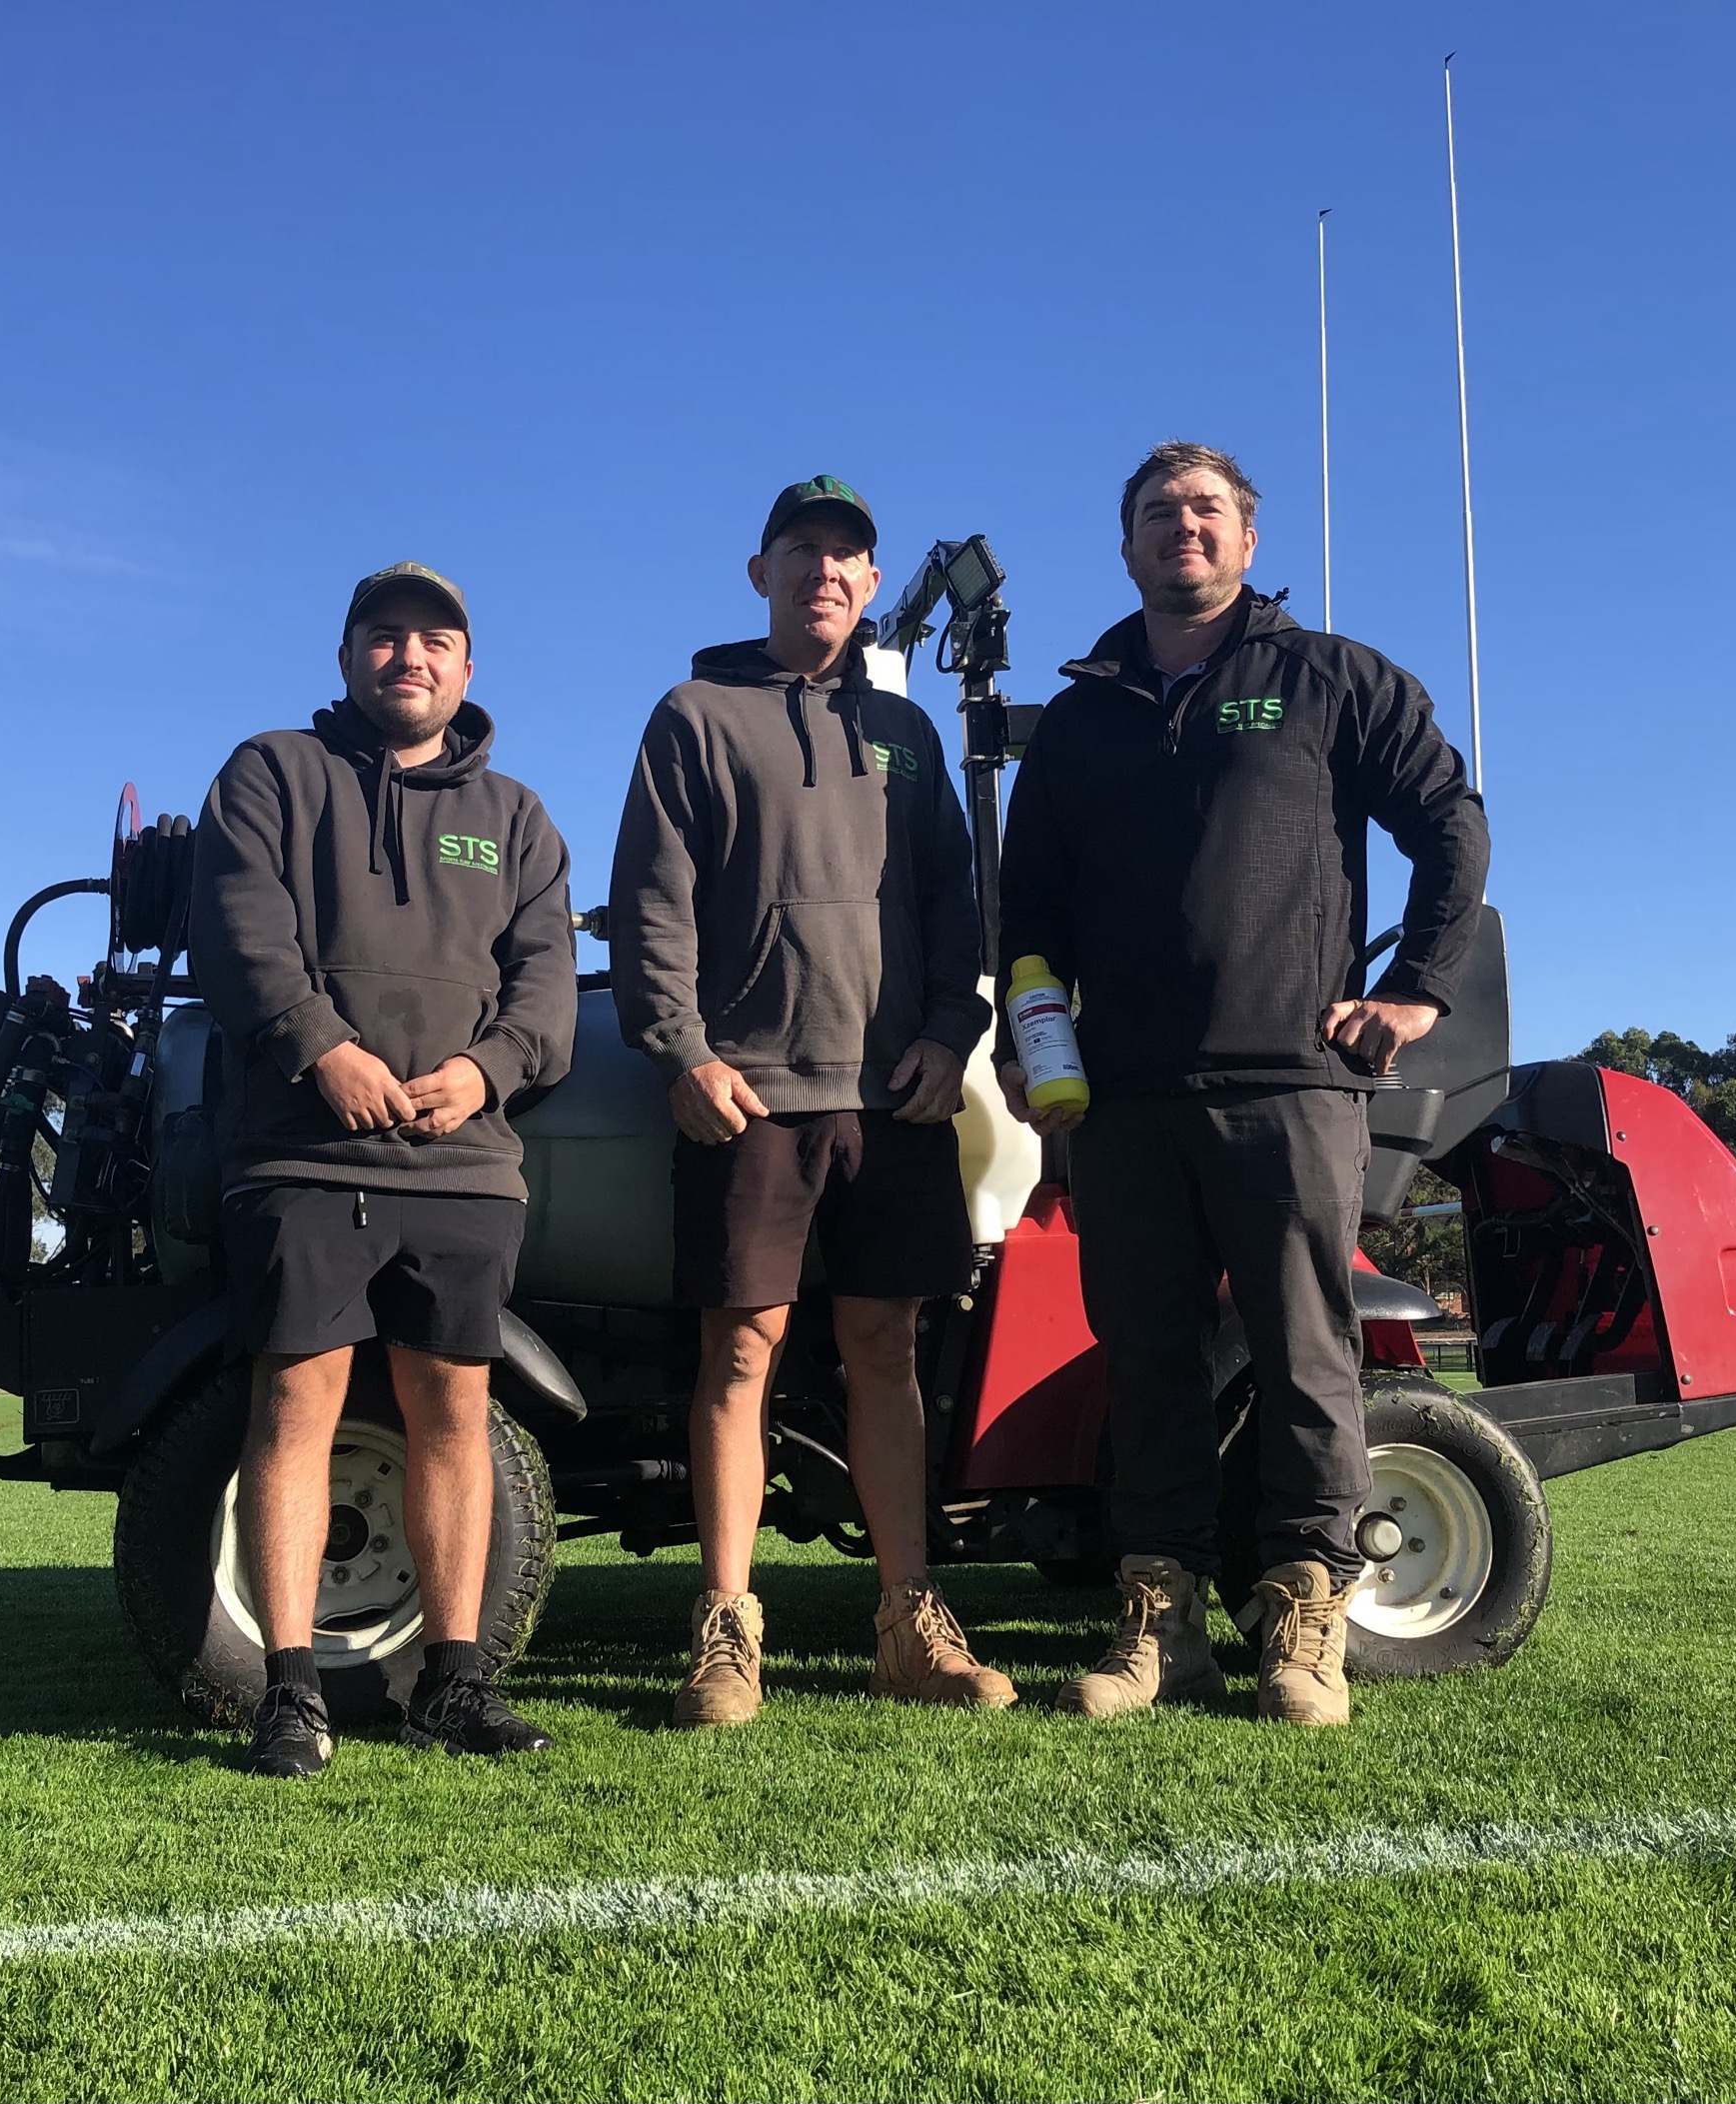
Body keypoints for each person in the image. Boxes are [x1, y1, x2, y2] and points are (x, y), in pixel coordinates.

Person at [995, 442, 1489, 1729]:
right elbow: (1030, 911)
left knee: (1303, 1351)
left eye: (1206, 510)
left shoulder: (1329, 678)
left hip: (1291, 1083)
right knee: (1150, 1361)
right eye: (1158, 513)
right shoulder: (1085, 714)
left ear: (1249, 540)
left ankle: (1303, 1612)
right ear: (1125, 547)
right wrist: (1030, 1039)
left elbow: (1450, 819)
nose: (1183, 529)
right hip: (1124, 1097)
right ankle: (1162, 1626)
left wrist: (1416, 987)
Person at [610, 476, 1014, 1728]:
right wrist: (678, 1051)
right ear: (761, 572)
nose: (824, 573)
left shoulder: (907, 733)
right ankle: (728, 1632)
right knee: (739, 1353)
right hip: (750, 1099)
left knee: (887, 1352)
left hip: (892, 1096)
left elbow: (957, 901)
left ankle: (910, 1621)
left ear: (871, 582)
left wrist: (954, 1034)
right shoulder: (693, 714)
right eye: (802, 552)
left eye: (848, 557)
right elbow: (651, 906)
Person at [191, 561, 576, 1777]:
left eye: (435, 641)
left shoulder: (515, 816)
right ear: (349, 653)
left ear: (468, 668)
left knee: (451, 1410)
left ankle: (456, 1685)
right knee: (298, 1403)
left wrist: (488, 1071)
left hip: (463, 1166)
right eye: (385, 636)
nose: (409, 657)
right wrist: (325, 1050)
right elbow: (244, 931)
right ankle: (290, 1691)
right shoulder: (270, 772)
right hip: (303, 1154)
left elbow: (547, 985)